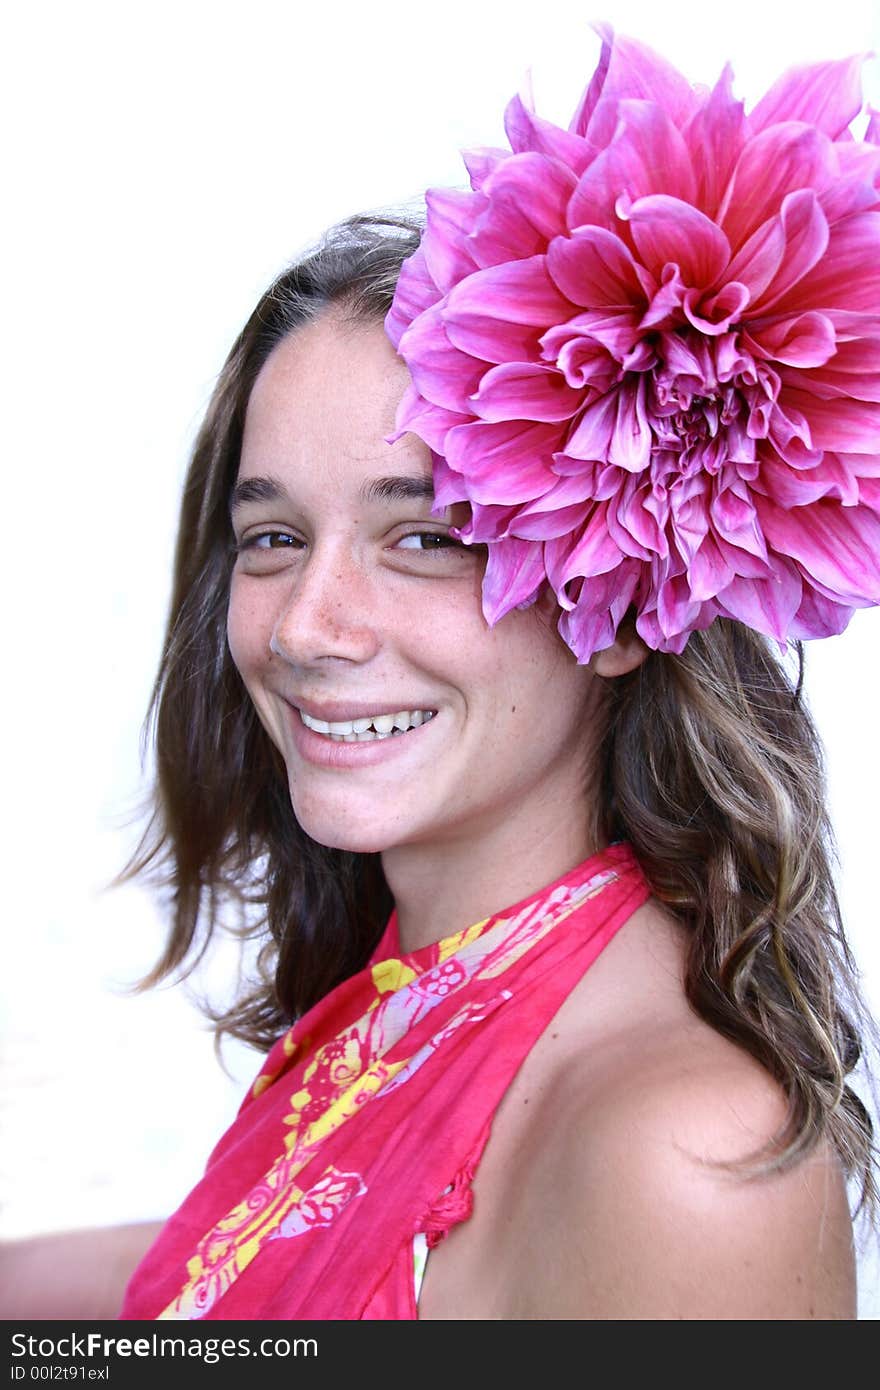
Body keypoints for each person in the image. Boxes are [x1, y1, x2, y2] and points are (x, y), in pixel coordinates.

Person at [4, 26, 879, 1320]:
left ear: (626, 597)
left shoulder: (682, 1156)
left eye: (426, 538)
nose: (308, 623)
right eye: (273, 537)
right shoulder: (409, 994)